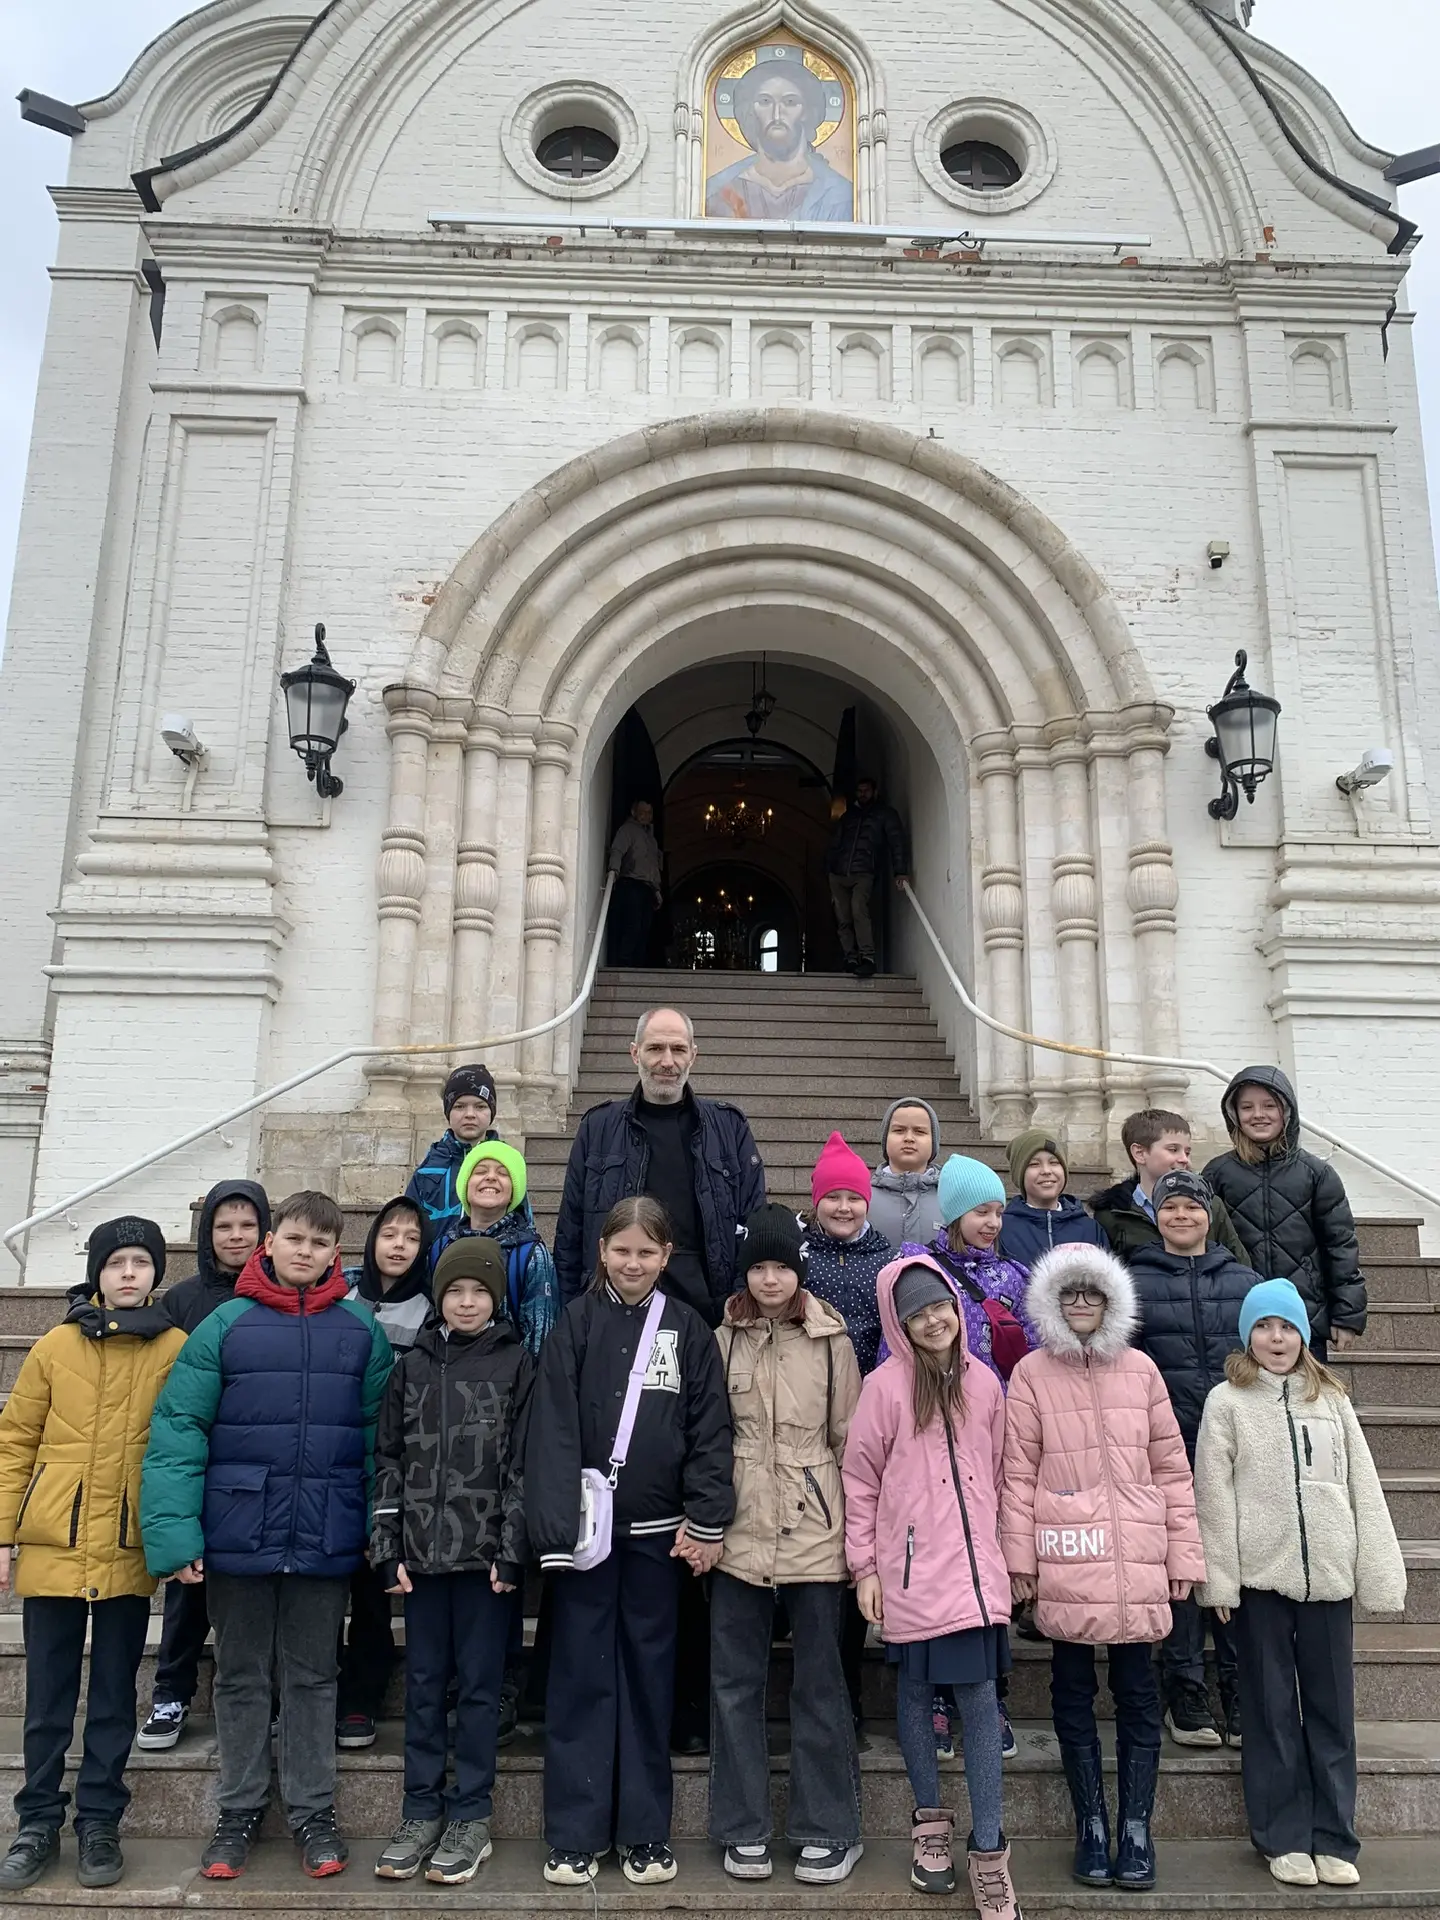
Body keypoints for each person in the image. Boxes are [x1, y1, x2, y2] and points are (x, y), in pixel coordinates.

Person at [140, 1191, 393, 1884]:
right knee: (242, 1675)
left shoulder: (359, 1331)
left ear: (335, 1253)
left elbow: (381, 1441)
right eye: (295, 1238)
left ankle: (313, 1812)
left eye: (320, 1242)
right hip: (238, 1530)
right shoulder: (225, 1325)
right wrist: (176, 1535)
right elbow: (179, 1432)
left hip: (325, 1531)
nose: (305, 1251)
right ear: (270, 1243)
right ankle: (239, 1809)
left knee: (313, 1676)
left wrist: (378, 1527)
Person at [525, 1198, 734, 1889]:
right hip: (588, 1540)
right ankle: (574, 1833)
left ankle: (645, 1832)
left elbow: (709, 1429)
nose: (633, 1264)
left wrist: (706, 1517)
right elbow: (552, 1427)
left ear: (666, 1256)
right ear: (602, 1252)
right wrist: (554, 1529)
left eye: (647, 1252)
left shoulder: (688, 1329)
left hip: (657, 1541)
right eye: (622, 1251)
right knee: (580, 1679)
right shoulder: (575, 1323)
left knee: (649, 1682)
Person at [1002, 1244, 1205, 1893]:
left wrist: (1183, 1552)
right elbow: (1017, 1474)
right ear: (1052, 1302)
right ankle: (1090, 1824)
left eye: (1093, 1292)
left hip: (1136, 1554)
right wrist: (1020, 1559)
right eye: (1070, 1293)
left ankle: (1136, 1828)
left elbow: (1172, 1467)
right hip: (1068, 1551)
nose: (1082, 1303)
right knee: (1071, 1689)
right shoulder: (1032, 1374)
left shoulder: (1141, 1370)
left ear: (1113, 1299)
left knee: (1138, 1690)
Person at [1194, 1279, 1405, 1890]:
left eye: (1287, 1327)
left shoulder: (1331, 1398)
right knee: (1271, 1710)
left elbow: (1362, 1483)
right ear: (1248, 1336)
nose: (1276, 1338)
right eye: (1264, 1326)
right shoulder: (1227, 1402)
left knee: (1333, 1711)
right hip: (1262, 1581)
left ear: (1303, 1336)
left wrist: (1377, 1571)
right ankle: (1282, 1836)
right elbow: (1214, 1495)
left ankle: (1334, 1836)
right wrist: (1221, 1581)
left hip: (1330, 1580)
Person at [0, 1217, 186, 1894]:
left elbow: (185, 1443)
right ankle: (36, 1823)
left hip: (126, 1548)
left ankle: (100, 1821)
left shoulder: (175, 1347)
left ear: (156, 1272)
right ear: (98, 1272)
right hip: (56, 1541)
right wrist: (4, 1534)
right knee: (48, 1700)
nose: (128, 1273)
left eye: (141, 1262)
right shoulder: (55, 1345)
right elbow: (16, 1440)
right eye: (116, 1262)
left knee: (112, 1698)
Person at [843, 1256, 1018, 1915]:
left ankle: (990, 1851)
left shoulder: (985, 1383)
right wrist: (865, 1568)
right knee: (916, 1697)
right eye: (916, 1314)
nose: (933, 1320)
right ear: (900, 1323)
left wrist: (1004, 1554)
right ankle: (929, 1829)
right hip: (912, 1571)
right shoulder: (884, 1388)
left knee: (978, 1702)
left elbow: (999, 1472)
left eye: (939, 1306)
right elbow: (860, 1481)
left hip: (975, 1576)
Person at [370, 1238, 532, 1888]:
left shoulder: (516, 1362)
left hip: (485, 1563)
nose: (466, 1302)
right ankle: (419, 1811)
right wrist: (387, 1547)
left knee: (480, 1689)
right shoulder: (412, 1366)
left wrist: (512, 1552)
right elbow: (387, 1458)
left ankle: (470, 1815)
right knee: (424, 1685)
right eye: (455, 1291)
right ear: (439, 1298)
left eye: (479, 1292)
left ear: (495, 1299)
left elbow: (523, 1465)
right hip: (421, 1561)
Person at [710, 1204, 863, 1886]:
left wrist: (858, 1536)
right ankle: (742, 1827)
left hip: (815, 1528)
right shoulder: (722, 1338)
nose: (770, 1280)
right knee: (734, 1684)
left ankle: (828, 1828)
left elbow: (850, 1440)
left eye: (782, 1267)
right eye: (759, 1268)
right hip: (739, 1529)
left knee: (820, 1685)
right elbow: (707, 1437)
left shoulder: (831, 1339)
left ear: (799, 1272)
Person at [139, 1178, 270, 1754]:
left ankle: (266, 1698)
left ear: (266, 1232)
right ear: (206, 1234)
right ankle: (171, 1692)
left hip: (258, 1465)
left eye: (247, 1225)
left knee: (257, 1595)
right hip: (197, 1464)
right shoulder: (183, 1301)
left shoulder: (277, 1294)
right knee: (188, 1592)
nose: (236, 1236)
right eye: (223, 1226)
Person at [1126, 1170, 1253, 1749]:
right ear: (1155, 1217)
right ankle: (1184, 1688)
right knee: (1177, 1566)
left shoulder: (1243, 1281)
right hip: (1168, 1445)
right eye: (1169, 1207)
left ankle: (1238, 1686)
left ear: (1208, 1214)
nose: (1181, 1215)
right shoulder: (1135, 1281)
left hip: (1233, 1448)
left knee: (1230, 1564)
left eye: (1191, 1206)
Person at [921, 1154, 1036, 1761]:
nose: (991, 1222)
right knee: (941, 1565)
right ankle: (939, 1695)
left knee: (987, 1567)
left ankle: (992, 1696)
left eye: (997, 1211)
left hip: (998, 1436)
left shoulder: (1016, 1276)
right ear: (953, 1213)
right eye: (979, 1211)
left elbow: (1034, 1355)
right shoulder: (919, 1268)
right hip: (935, 1436)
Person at [554, 1008, 766, 1323]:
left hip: (707, 1310)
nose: (667, 1061)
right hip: (612, 1307)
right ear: (635, 1053)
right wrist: (573, 1314)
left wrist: (737, 1302)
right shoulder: (597, 1127)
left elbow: (753, 1222)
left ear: (693, 1056)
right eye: (655, 1048)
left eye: (678, 1049)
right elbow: (570, 1231)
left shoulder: (729, 1127)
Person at [335, 1196, 434, 1750]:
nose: (399, 1245)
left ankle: (361, 1699)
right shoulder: (340, 1299)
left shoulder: (429, 1310)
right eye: (390, 1234)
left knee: (374, 1593)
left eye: (412, 1237)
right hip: (335, 1460)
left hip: (392, 1466)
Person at [1203, 1067, 1366, 1361]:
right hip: (1238, 1316)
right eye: (1247, 1107)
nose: (1258, 1115)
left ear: (1286, 1111)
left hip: (1302, 1316)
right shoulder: (1217, 1173)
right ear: (1234, 1114)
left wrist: (1346, 1315)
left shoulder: (1317, 1174)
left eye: (1269, 1105)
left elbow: (1340, 1246)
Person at [432, 1142, 557, 1355]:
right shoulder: (442, 1247)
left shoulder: (530, 1254)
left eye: (503, 1173)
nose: (490, 1177)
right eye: (480, 1171)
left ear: (514, 1191)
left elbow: (540, 1335)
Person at [705, 49, 855, 221]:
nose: (776, 114)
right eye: (765, 102)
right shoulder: (720, 191)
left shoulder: (838, 194)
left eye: (790, 102)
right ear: (750, 111)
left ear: (807, 111)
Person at [1088, 1109, 1249, 1263]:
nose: (1184, 1159)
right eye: (1173, 1149)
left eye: (1187, 1152)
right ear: (1140, 1153)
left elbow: (1239, 1264)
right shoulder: (1112, 1214)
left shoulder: (1210, 1206)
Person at [805, 1133, 892, 1378]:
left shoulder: (887, 1259)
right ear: (816, 1201)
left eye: (854, 1198)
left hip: (873, 1382)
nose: (844, 1208)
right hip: (813, 1384)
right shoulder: (799, 1257)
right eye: (832, 1197)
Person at [826, 777, 909, 979]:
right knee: (843, 918)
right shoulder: (848, 816)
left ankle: (867, 958)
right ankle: (850, 957)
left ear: (875, 792)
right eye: (859, 790)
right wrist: (828, 867)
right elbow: (835, 842)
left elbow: (896, 842)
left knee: (859, 911)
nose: (863, 794)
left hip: (864, 872)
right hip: (838, 873)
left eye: (866, 790)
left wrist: (900, 871)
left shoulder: (885, 814)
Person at [405, 1064, 500, 1236]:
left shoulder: (505, 1165)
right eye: (459, 1106)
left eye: (480, 1106)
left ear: (491, 1112)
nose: (470, 1114)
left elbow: (524, 1224)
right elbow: (408, 1227)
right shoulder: (429, 1169)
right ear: (448, 1112)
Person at [998, 1131, 1109, 1266]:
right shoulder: (1002, 1228)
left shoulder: (1090, 1229)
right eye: (1034, 1164)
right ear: (1019, 1175)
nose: (1046, 1171)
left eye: (1054, 1162)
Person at [868, 1096, 946, 1252]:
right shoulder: (863, 1197)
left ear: (933, 1141)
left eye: (919, 1131)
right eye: (899, 1130)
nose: (909, 1138)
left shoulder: (950, 1198)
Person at [607, 799, 663, 967]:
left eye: (649, 812)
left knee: (644, 929)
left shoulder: (651, 839)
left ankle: (637, 966)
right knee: (633, 925)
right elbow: (617, 850)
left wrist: (657, 890)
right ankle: (624, 964)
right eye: (643, 812)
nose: (646, 816)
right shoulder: (627, 830)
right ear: (634, 812)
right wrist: (613, 871)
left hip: (648, 889)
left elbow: (653, 867)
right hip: (631, 884)